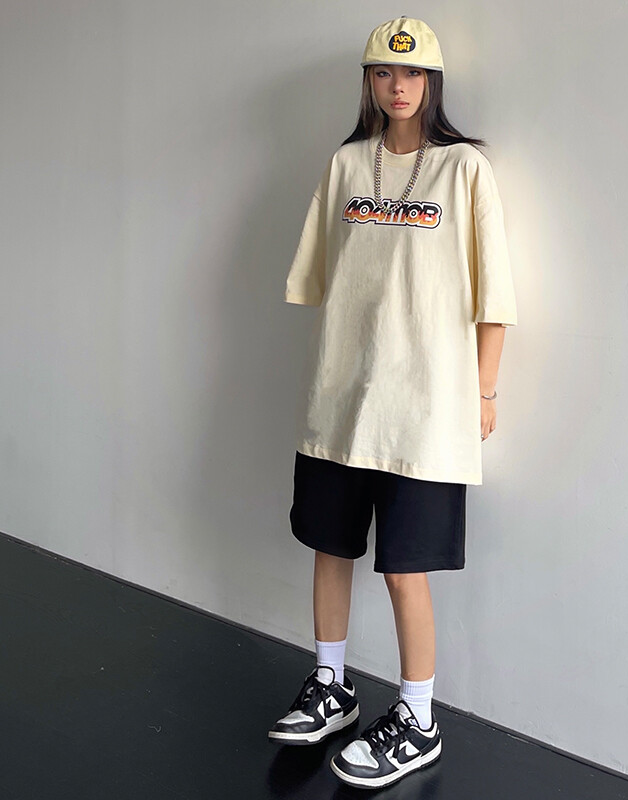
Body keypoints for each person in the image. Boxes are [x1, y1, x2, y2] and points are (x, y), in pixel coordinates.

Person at [268, 16, 518, 789]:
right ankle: (331, 685)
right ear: (369, 81)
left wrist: (485, 389)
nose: (397, 86)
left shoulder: (464, 169)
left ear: (432, 82)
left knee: (405, 569)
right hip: (341, 399)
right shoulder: (347, 165)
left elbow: (495, 295)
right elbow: (323, 278)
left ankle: (417, 718)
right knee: (331, 546)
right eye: (383, 72)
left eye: (411, 74)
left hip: (426, 409)